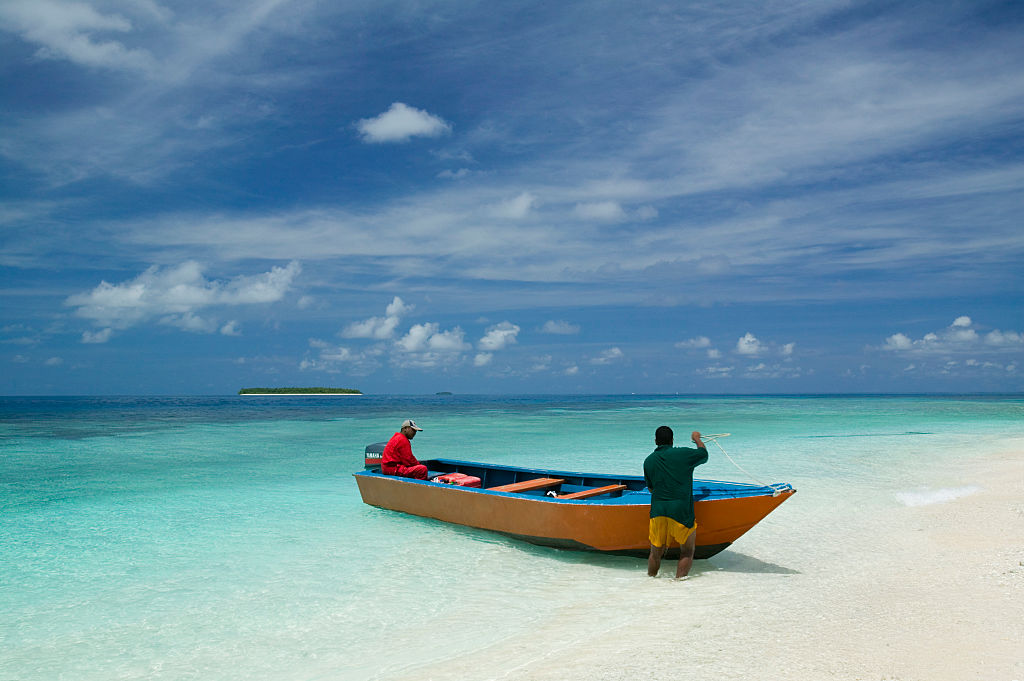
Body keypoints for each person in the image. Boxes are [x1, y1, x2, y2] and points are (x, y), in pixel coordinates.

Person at [643, 426, 708, 578]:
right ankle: (678, 585)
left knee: (655, 553)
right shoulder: (683, 454)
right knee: (687, 551)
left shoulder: (648, 461)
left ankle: (650, 581)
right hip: (681, 513)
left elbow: (651, 489)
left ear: (655, 441)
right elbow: (703, 455)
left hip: (658, 512)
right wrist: (697, 438)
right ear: (672, 440)